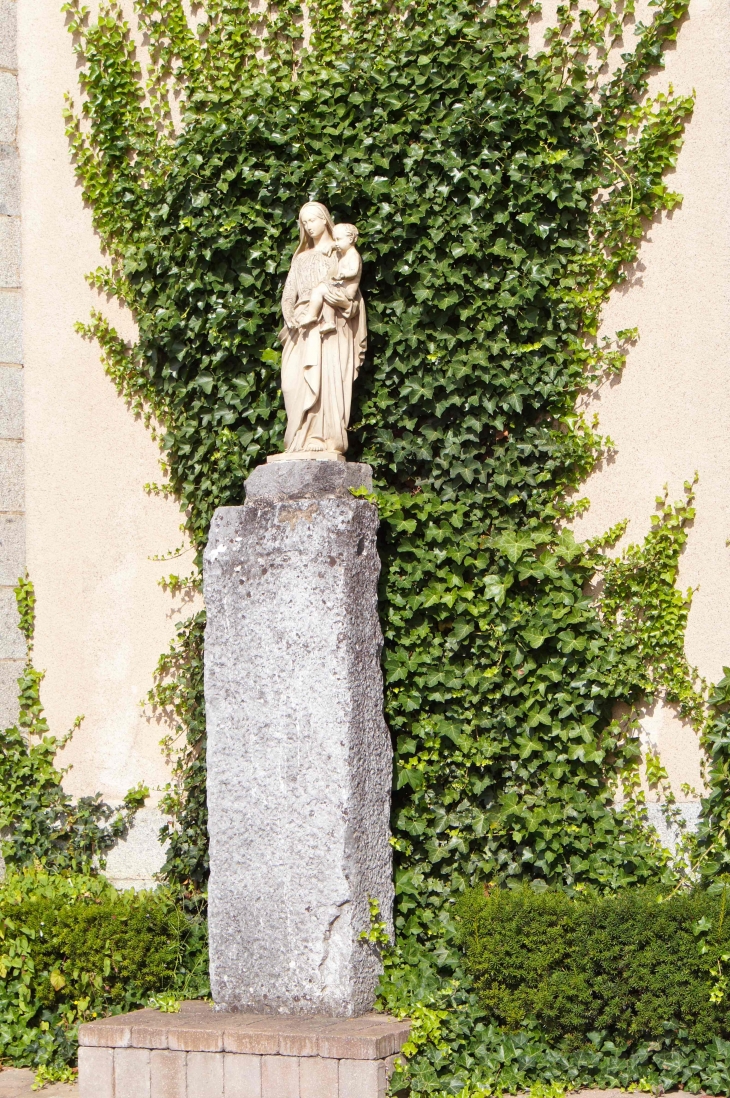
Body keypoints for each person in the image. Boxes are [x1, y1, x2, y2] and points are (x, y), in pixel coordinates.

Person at [274, 202, 367, 457]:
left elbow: (352, 295)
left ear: (325, 219)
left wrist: (331, 300)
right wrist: (290, 316)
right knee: (293, 384)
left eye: (312, 220)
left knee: (323, 379)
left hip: (329, 327)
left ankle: (321, 436)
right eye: (304, 222)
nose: (308, 226)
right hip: (300, 328)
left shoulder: (341, 252)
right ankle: (299, 437)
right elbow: (288, 295)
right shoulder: (301, 258)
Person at [297, 223, 362, 334]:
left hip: (345, 293)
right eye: (335, 240)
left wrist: (343, 275)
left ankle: (312, 314)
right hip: (340, 290)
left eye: (338, 240)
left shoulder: (353, 255)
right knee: (327, 300)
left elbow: (354, 271)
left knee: (320, 288)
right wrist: (332, 245)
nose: (336, 243)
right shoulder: (343, 252)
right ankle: (330, 322)